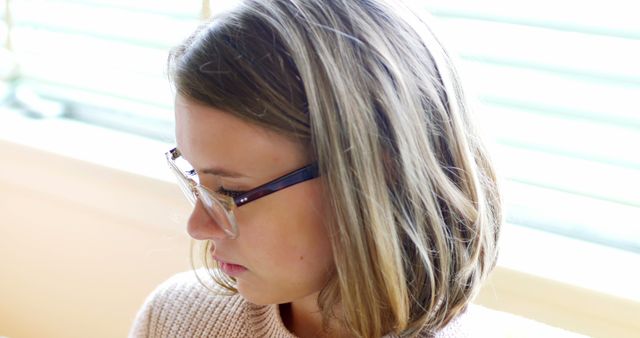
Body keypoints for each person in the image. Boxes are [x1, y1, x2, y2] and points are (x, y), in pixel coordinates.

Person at [130, 0, 502, 337]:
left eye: (228, 191)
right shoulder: (176, 321)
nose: (197, 226)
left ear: (373, 176)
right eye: (195, 178)